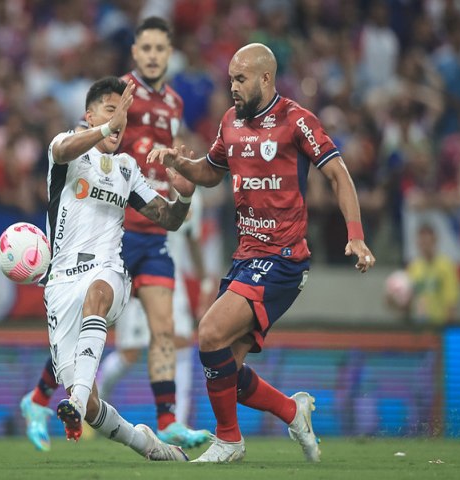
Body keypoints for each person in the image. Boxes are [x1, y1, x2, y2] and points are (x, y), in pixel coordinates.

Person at [147, 43, 376, 463]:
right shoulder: (230, 123)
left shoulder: (296, 121)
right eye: (230, 78)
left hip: (284, 258)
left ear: (265, 78)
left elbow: (338, 174)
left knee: (210, 332)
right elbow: (211, 174)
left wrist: (356, 235)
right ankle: (293, 410)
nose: (232, 87)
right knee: (226, 373)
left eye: (240, 79)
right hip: (246, 257)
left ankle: (229, 442)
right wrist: (179, 163)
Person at [20, 16, 209, 451]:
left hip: (108, 272)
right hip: (61, 283)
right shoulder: (64, 151)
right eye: (110, 111)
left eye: (122, 116)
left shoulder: (128, 169)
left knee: (105, 294)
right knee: (90, 409)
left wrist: (183, 196)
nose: (119, 121)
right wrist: (105, 128)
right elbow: (67, 147)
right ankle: (146, 443)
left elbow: (167, 217)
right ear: (89, 115)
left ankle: (135, 412)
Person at [98, 189, 210, 427]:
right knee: (129, 354)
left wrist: (205, 281)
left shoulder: (191, 195)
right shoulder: (139, 184)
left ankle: (174, 423)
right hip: (140, 274)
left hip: (173, 279)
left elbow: (193, 240)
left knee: (180, 342)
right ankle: (95, 399)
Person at [406, 223, 460, 325]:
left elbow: (451, 302)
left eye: (428, 241)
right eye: (422, 242)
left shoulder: (446, 266)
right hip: (419, 328)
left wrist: (448, 327)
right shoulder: (413, 268)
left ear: (434, 240)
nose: (425, 245)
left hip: (440, 326)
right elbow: (408, 301)